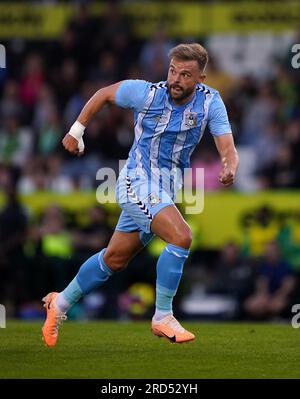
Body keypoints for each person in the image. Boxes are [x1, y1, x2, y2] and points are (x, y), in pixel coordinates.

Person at [42, 43, 239, 346]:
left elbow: (227, 146)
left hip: (165, 190)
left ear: (201, 78)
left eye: (185, 74)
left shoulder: (211, 102)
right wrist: (76, 130)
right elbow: (104, 93)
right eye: (173, 70)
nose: (175, 78)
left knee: (115, 259)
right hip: (136, 181)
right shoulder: (146, 93)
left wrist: (229, 166)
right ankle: (162, 315)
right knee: (181, 236)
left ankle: (61, 304)